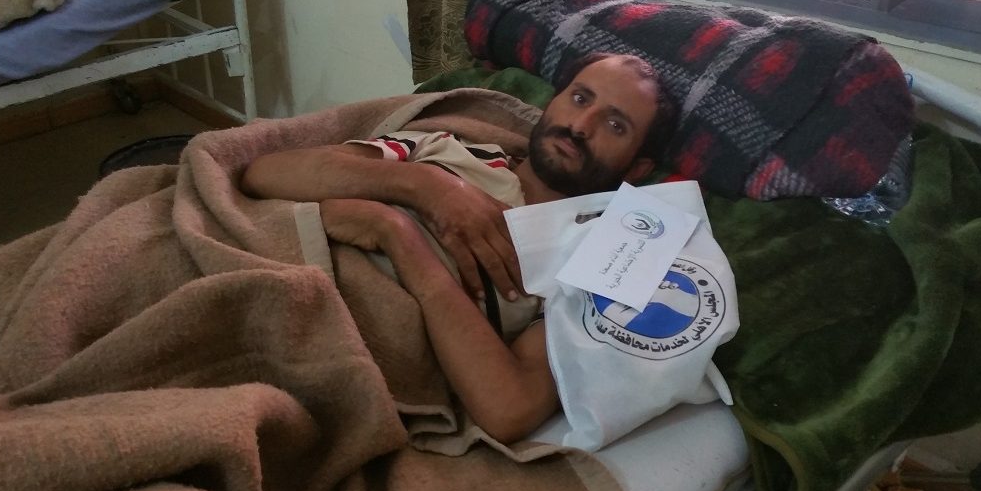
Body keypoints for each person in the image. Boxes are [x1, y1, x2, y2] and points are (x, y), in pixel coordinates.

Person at [240, 53, 678, 443]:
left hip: (323, 352)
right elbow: (265, 174)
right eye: (580, 99)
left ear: (636, 169)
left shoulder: (595, 260)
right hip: (262, 271)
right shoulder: (450, 150)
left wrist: (395, 233)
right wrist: (426, 185)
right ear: (553, 102)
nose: (581, 126)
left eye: (615, 125)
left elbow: (509, 408)